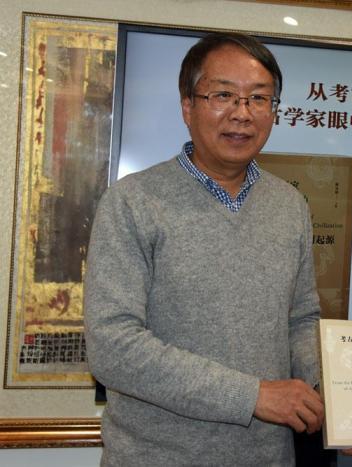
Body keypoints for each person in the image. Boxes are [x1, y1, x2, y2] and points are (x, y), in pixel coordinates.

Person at [84, 33, 323, 466]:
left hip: (267, 457)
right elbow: (112, 346)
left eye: (259, 98)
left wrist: (335, 392)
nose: (242, 113)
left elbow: (302, 320)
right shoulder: (132, 202)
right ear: (187, 107)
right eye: (223, 95)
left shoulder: (290, 205)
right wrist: (252, 396)